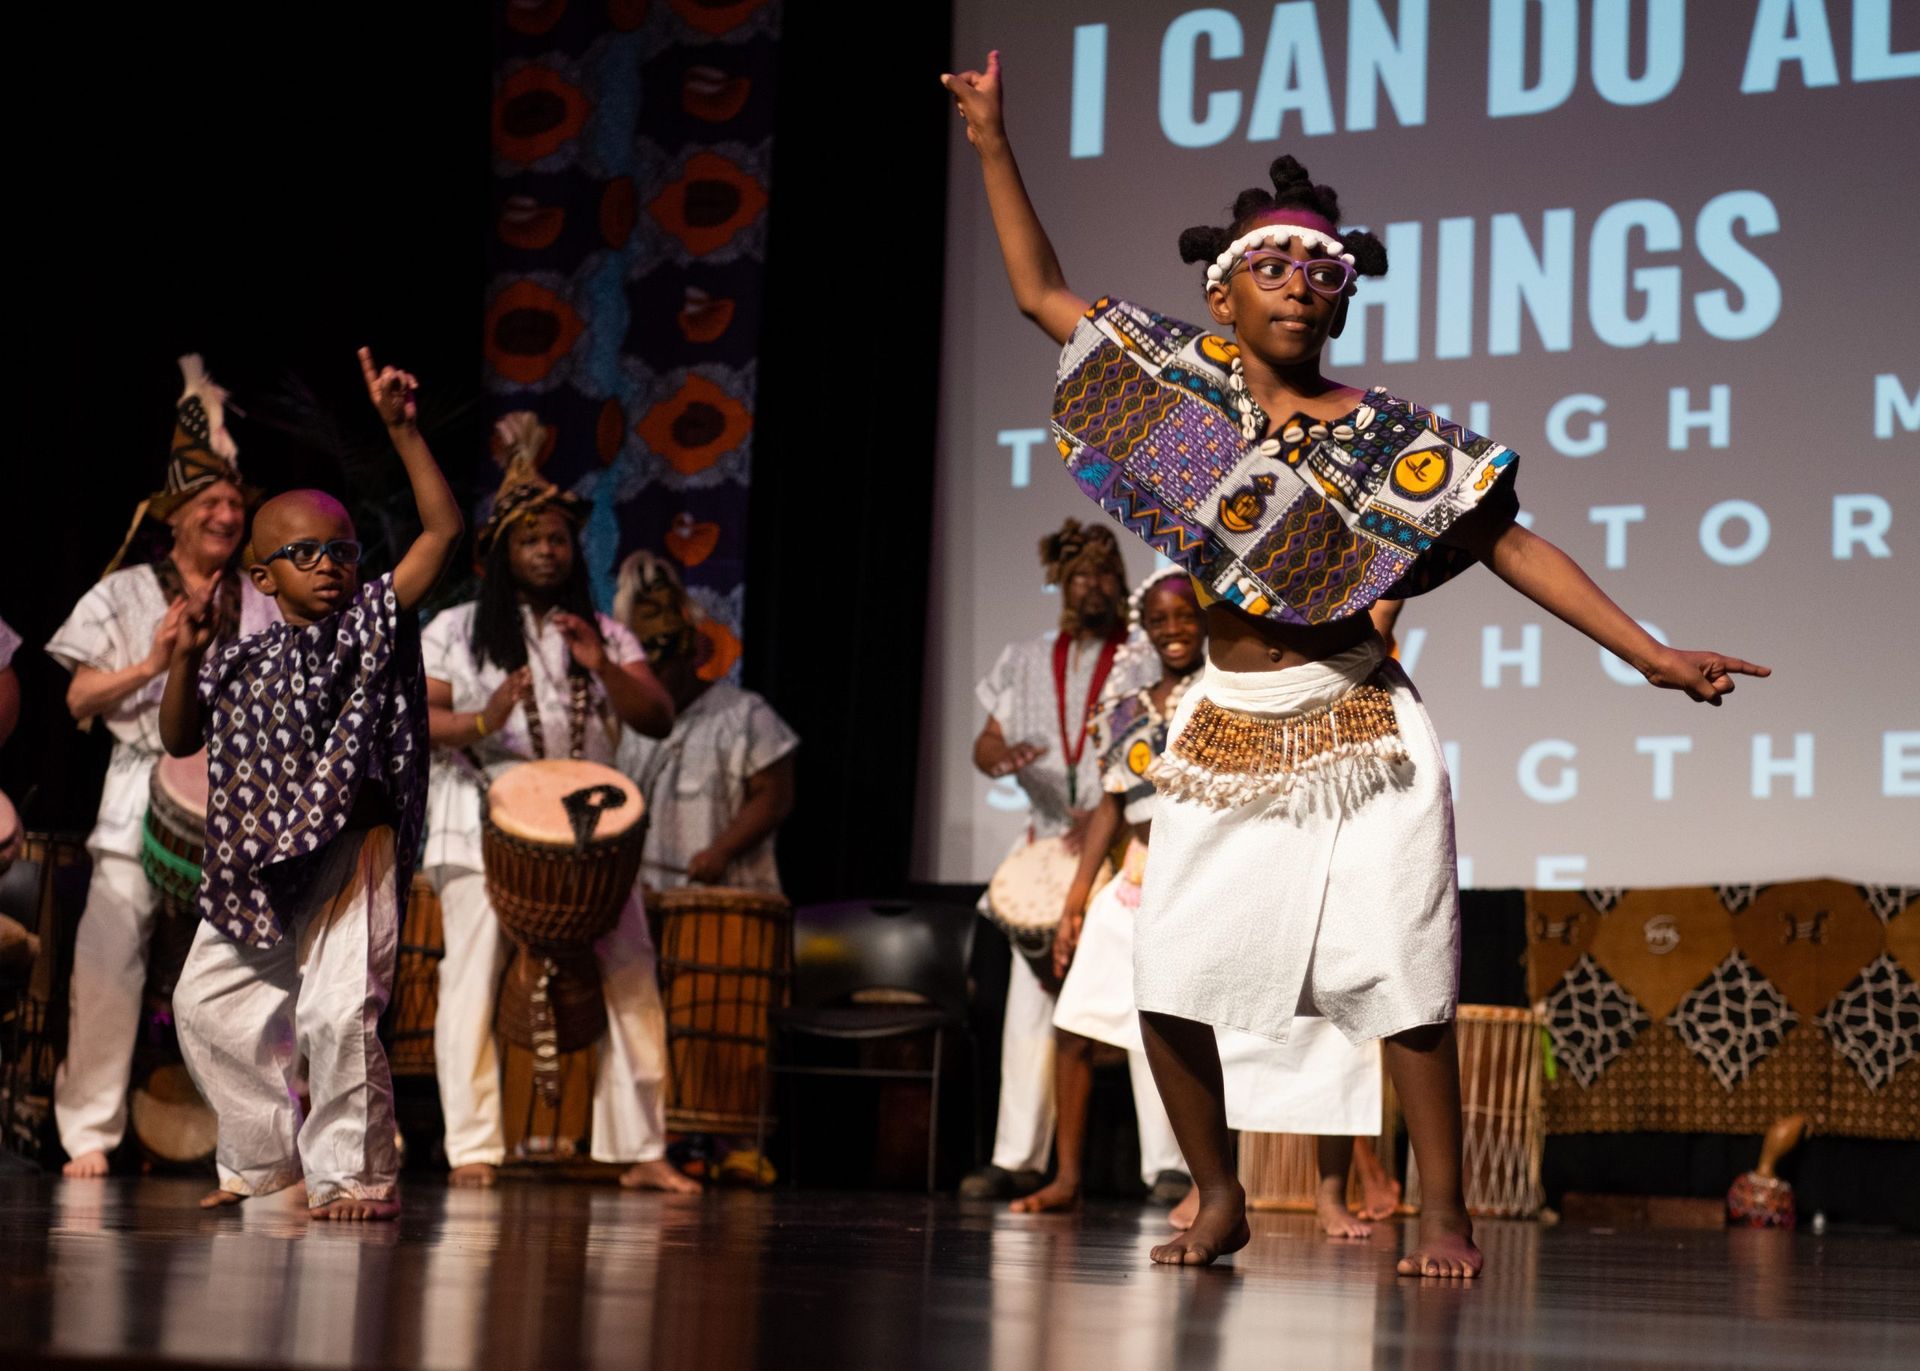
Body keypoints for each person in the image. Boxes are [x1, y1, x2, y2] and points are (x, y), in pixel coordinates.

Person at [946, 50, 1767, 1274]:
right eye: (1270, 267)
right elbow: (1037, 294)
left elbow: (1511, 545)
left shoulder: (1397, 441)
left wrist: (1645, 655)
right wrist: (993, 143)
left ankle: (1443, 1212)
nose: (1297, 285)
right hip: (1226, 721)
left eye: (1319, 273)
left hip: (1359, 723)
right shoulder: (1178, 396)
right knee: (1165, 976)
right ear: (1222, 296)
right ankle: (1217, 1195)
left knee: (1403, 970)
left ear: (1341, 304)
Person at [160, 347, 461, 1220]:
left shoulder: (365, 626)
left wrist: (402, 431)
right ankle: (263, 1161)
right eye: (305, 551)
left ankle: (354, 1176)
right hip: (259, 863)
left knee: (336, 1015)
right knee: (205, 1003)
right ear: (262, 574)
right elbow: (180, 733)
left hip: (345, 849)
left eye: (343, 549)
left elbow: (440, 536)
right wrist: (184, 657)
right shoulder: (241, 657)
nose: (330, 563)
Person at [422, 412, 693, 1193]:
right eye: (530, 537)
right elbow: (422, 721)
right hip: (479, 825)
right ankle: (473, 1144)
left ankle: (641, 1149)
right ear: (502, 552)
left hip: (591, 837)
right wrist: (485, 720)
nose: (547, 548)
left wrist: (600, 663)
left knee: (632, 974)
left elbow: (656, 714)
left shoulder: (602, 631)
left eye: (558, 538)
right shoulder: (456, 630)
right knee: (470, 977)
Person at [45, 357, 277, 1178]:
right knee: (111, 967)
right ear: (172, 515)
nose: (225, 511)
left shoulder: (265, 599)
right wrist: (150, 665)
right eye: (208, 501)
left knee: (247, 977)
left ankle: (254, 1136)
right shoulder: (125, 593)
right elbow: (76, 697)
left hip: (238, 809)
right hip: (135, 795)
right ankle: (89, 1133)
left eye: (233, 500)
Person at [957, 520, 1161, 1202]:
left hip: (1128, 841)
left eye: (1104, 573)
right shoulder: (1023, 657)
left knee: (1148, 1004)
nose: (1092, 586)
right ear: (1062, 585)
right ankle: (1017, 1155)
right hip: (1047, 844)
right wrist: (1002, 758)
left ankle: (1168, 1163)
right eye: (1079, 576)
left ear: (1121, 580)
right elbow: (986, 742)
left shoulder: (1144, 654)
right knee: (1028, 1010)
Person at [1015, 567, 1201, 1214]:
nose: (1173, 629)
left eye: (1185, 614)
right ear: (1145, 629)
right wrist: (1074, 900)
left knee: (1191, 1032)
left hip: (1201, 885)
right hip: (1134, 884)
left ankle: (1202, 1179)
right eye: (1160, 619)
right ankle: (1067, 1176)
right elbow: (1111, 805)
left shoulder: (1227, 697)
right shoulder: (1127, 711)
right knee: (1074, 1026)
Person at [613, 550, 796, 894]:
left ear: (688, 656)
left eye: (662, 671)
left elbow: (775, 794)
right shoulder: (627, 724)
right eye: (645, 672)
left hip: (728, 903)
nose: (654, 682)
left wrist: (722, 851)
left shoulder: (744, 713)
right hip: (646, 903)